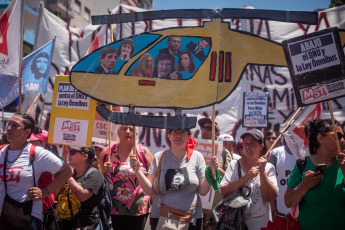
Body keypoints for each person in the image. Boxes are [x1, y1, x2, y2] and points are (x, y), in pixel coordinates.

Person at [130, 128, 219, 230]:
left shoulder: (197, 157)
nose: (178, 136)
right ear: (169, 136)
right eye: (175, 132)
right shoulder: (159, 157)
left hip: (191, 219)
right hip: (161, 218)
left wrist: (210, 172)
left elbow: (203, 191)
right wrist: (137, 170)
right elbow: (150, 191)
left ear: (189, 137)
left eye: (182, 132)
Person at [0, 113, 72, 230]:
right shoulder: (1, 150)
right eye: (9, 124)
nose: (9, 128)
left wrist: (46, 191)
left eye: (15, 125)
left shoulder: (37, 153)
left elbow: (67, 171)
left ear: (27, 132)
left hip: (26, 218)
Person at [284, 119, 345, 230]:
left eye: (343, 136)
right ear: (320, 138)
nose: (342, 140)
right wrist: (303, 186)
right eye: (338, 136)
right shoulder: (302, 164)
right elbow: (288, 202)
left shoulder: (343, 164)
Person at [220, 129, 278, 230]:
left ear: (261, 147)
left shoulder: (269, 168)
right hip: (235, 224)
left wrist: (262, 171)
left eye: (253, 143)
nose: (248, 146)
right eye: (246, 143)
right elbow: (224, 191)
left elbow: (270, 197)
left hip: (261, 225)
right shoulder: (234, 165)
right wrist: (247, 177)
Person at [101, 125, 153, 230]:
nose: (128, 132)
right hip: (114, 208)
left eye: (131, 129)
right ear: (118, 132)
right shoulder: (108, 152)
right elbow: (97, 177)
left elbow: (153, 180)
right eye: (124, 129)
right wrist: (104, 171)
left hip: (139, 208)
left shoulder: (144, 152)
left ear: (136, 133)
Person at [56, 145, 105, 229]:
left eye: (72, 152)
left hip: (84, 226)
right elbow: (55, 194)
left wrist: (68, 176)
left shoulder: (95, 175)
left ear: (84, 156)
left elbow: (82, 196)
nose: (69, 154)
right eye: (69, 150)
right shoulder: (71, 173)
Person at [268, 143, 296, 216]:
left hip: (298, 206)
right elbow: (269, 178)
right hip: (279, 207)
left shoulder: (305, 153)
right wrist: (271, 202)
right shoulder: (276, 153)